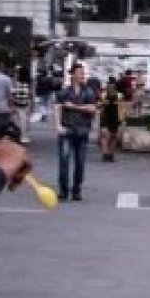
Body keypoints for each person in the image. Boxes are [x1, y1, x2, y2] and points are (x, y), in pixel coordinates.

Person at [53, 63, 97, 201]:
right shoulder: (64, 92)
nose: (82, 75)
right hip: (67, 130)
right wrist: (58, 126)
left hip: (82, 131)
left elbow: (92, 109)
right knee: (64, 161)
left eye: (83, 73)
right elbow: (58, 109)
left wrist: (74, 107)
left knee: (80, 162)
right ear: (72, 74)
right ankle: (63, 190)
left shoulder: (88, 92)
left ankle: (76, 189)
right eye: (79, 72)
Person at [97, 78, 125, 162]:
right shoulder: (103, 95)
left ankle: (111, 153)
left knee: (114, 136)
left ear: (115, 87)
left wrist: (122, 119)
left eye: (112, 86)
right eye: (109, 86)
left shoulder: (119, 96)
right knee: (105, 134)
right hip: (105, 116)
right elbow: (98, 105)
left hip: (115, 117)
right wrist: (102, 104)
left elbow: (122, 107)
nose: (110, 88)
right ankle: (105, 153)